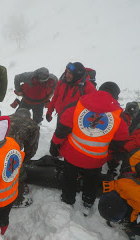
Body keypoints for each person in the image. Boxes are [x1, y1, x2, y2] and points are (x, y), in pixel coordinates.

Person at [49, 82, 129, 214]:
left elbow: (62, 130)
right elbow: (120, 142)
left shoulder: (77, 105)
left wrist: (54, 145)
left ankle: (68, 199)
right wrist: (109, 154)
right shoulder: (119, 116)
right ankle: (88, 201)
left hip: (72, 154)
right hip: (95, 160)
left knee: (69, 177)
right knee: (91, 180)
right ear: (116, 96)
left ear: (99, 90)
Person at [7, 108, 40, 207]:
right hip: (11, 151)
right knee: (19, 175)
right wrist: (24, 160)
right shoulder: (33, 125)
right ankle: (17, 199)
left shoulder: (6, 118)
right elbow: (31, 148)